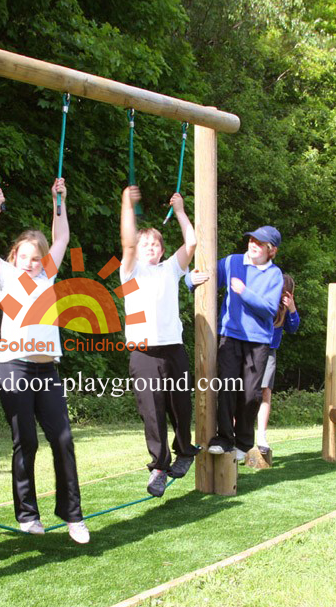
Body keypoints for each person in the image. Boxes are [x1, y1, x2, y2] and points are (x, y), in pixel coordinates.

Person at [0, 178, 90, 544]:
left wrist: (60, 201)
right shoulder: (6, 275)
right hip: (14, 367)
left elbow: (62, 238)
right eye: (26, 256)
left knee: (63, 438)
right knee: (26, 442)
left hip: (46, 369)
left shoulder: (46, 275)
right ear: (15, 258)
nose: (33, 261)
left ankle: (73, 516)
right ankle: (27, 515)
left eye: (37, 257)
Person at [119, 187, 199, 497]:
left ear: (162, 249)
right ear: (137, 249)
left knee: (180, 407)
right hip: (143, 353)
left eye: (155, 243)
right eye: (145, 243)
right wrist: (128, 205)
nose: (150, 246)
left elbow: (191, 242)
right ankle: (159, 468)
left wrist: (179, 211)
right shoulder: (130, 272)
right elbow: (127, 241)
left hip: (173, 350)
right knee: (152, 412)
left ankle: (185, 453)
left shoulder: (170, 269)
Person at [189, 226, 283, 461]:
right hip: (230, 335)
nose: (253, 244)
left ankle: (243, 442)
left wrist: (244, 292)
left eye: (260, 243)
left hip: (258, 340)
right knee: (228, 387)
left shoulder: (275, 275)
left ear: (271, 251)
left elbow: (270, 309)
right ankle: (224, 438)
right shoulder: (232, 262)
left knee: (251, 394)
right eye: (252, 240)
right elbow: (206, 275)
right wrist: (189, 280)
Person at [255, 274, 299, 454]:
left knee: (265, 393)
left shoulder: (284, 310)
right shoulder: (261, 299)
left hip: (269, 351)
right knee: (244, 393)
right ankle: (235, 435)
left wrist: (292, 309)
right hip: (251, 348)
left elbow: (293, 328)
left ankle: (261, 436)